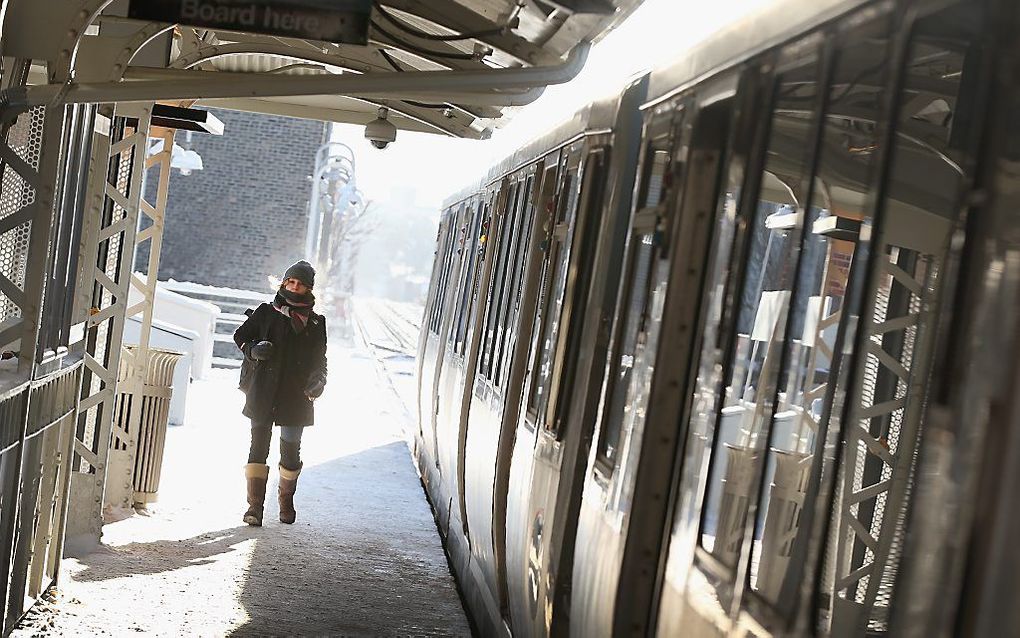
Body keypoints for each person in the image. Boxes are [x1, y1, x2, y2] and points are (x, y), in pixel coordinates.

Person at [234, 260, 327, 526]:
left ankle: (286, 501)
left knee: (290, 451)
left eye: (299, 284)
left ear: (308, 289)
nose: (293, 287)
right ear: (284, 283)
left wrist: (319, 380)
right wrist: (253, 350)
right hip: (263, 392)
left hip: (296, 396)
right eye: (290, 282)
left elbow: (320, 360)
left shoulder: (316, 323)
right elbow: (240, 336)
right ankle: (255, 508)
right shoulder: (265, 312)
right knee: (258, 448)